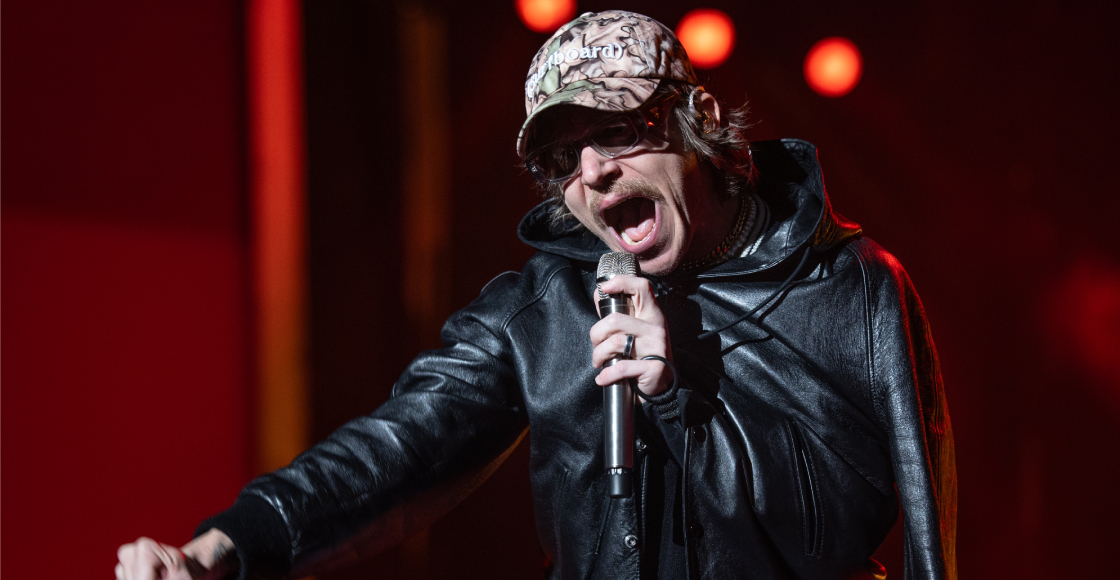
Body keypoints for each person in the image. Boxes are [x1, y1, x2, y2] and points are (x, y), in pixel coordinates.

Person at [117, 10, 956, 580]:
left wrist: (683, 396)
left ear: (697, 119)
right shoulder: (547, 305)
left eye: (617, 131)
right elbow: (397, 451)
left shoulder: (847, 287)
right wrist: (226, 545)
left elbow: (855, 532)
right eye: (563, 158)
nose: (594, 173)